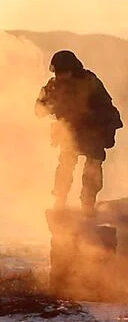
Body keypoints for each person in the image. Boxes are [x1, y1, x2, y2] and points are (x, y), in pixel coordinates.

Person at [35, 50, 122, 216]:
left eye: (63, 72)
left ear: (72, 70)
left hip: (93, 131)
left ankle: (87, 205)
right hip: (70, 131)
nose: (60, 76)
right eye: (58, 73)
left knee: (93, 168)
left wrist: (103, 128)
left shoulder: (90, 82)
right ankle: (60, 202)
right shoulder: (53, 85)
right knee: (66, 165)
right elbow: (39, 110)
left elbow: (108, 110)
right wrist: (48, 105)